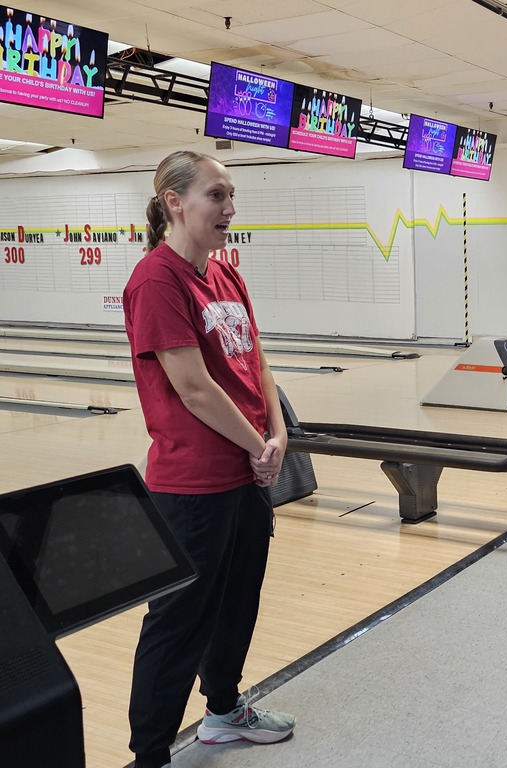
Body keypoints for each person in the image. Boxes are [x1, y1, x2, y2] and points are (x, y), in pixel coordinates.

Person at [123, 150, 295, 768]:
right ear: (175, 202)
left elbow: (257, 361)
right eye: (216, 196)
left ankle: (223, 712)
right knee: (179, 622)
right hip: (193, 486)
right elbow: (193, 388)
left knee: (237, 601)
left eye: (231, 197)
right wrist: (260, 449)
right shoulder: (155, 280)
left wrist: (276, 436)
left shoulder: (227, 274)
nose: (229, 208)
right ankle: (151, 757)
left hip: (247, 476)